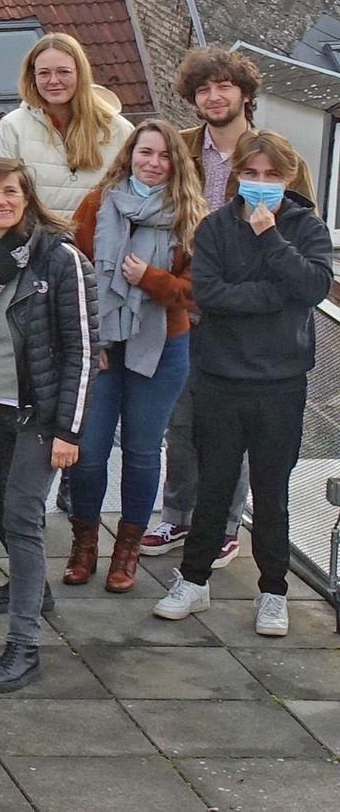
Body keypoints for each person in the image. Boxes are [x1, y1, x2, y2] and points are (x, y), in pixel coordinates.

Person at [153, 133, 331, 639]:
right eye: (250, 174)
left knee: (272, 493)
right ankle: (193, 580)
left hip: (280, 382)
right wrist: (276, 295)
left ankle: (273, 591)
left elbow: (312, 287)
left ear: (289, 178)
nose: (259, 185)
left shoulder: (307, 228)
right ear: (237, 177)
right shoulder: (213, 227)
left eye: (271, 176)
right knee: (213, 485)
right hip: (220, 376)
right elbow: (209, 294)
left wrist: (271, 240)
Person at [143, 47, 311, 562]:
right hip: (183, 305)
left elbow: (303, 239)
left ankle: (226, 525)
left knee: (233, 430)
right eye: (203, 90)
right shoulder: (183, 149)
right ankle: (177, 517)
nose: (214, 98)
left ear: (244, 93)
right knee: (181, 419)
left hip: (248, 317)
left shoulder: (281, 160)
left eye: (223, 87)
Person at [0, 159, 93, 693]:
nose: (0, 202)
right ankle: (32, 590)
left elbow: (82, 348)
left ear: (27, 197)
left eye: (10, 192)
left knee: (23, 516)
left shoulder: (61, 260)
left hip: (39, 413)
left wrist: (69, 431)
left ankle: (24, 646)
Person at [61, 121, 200, 594]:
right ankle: (84, 545)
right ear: (130, 154)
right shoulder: (100, 203)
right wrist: (90, 342)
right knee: (90, 452)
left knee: (142, 454)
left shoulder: (188, 213)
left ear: (175, 163)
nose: (153, 162)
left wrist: (150, 280)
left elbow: (196, 291)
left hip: (161, 346)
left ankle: (127, 550)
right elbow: (73, 274)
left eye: (164, 156)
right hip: (102, 346)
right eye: (146, 152)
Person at [0, 33, 132, 214]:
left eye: (63, 72)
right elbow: (1, 195)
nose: (53, 81)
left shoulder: (118, 130)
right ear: (32, 77)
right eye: (44, 73)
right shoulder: (11, 128)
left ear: (80, 73)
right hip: (36, 240)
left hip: (100, 239)